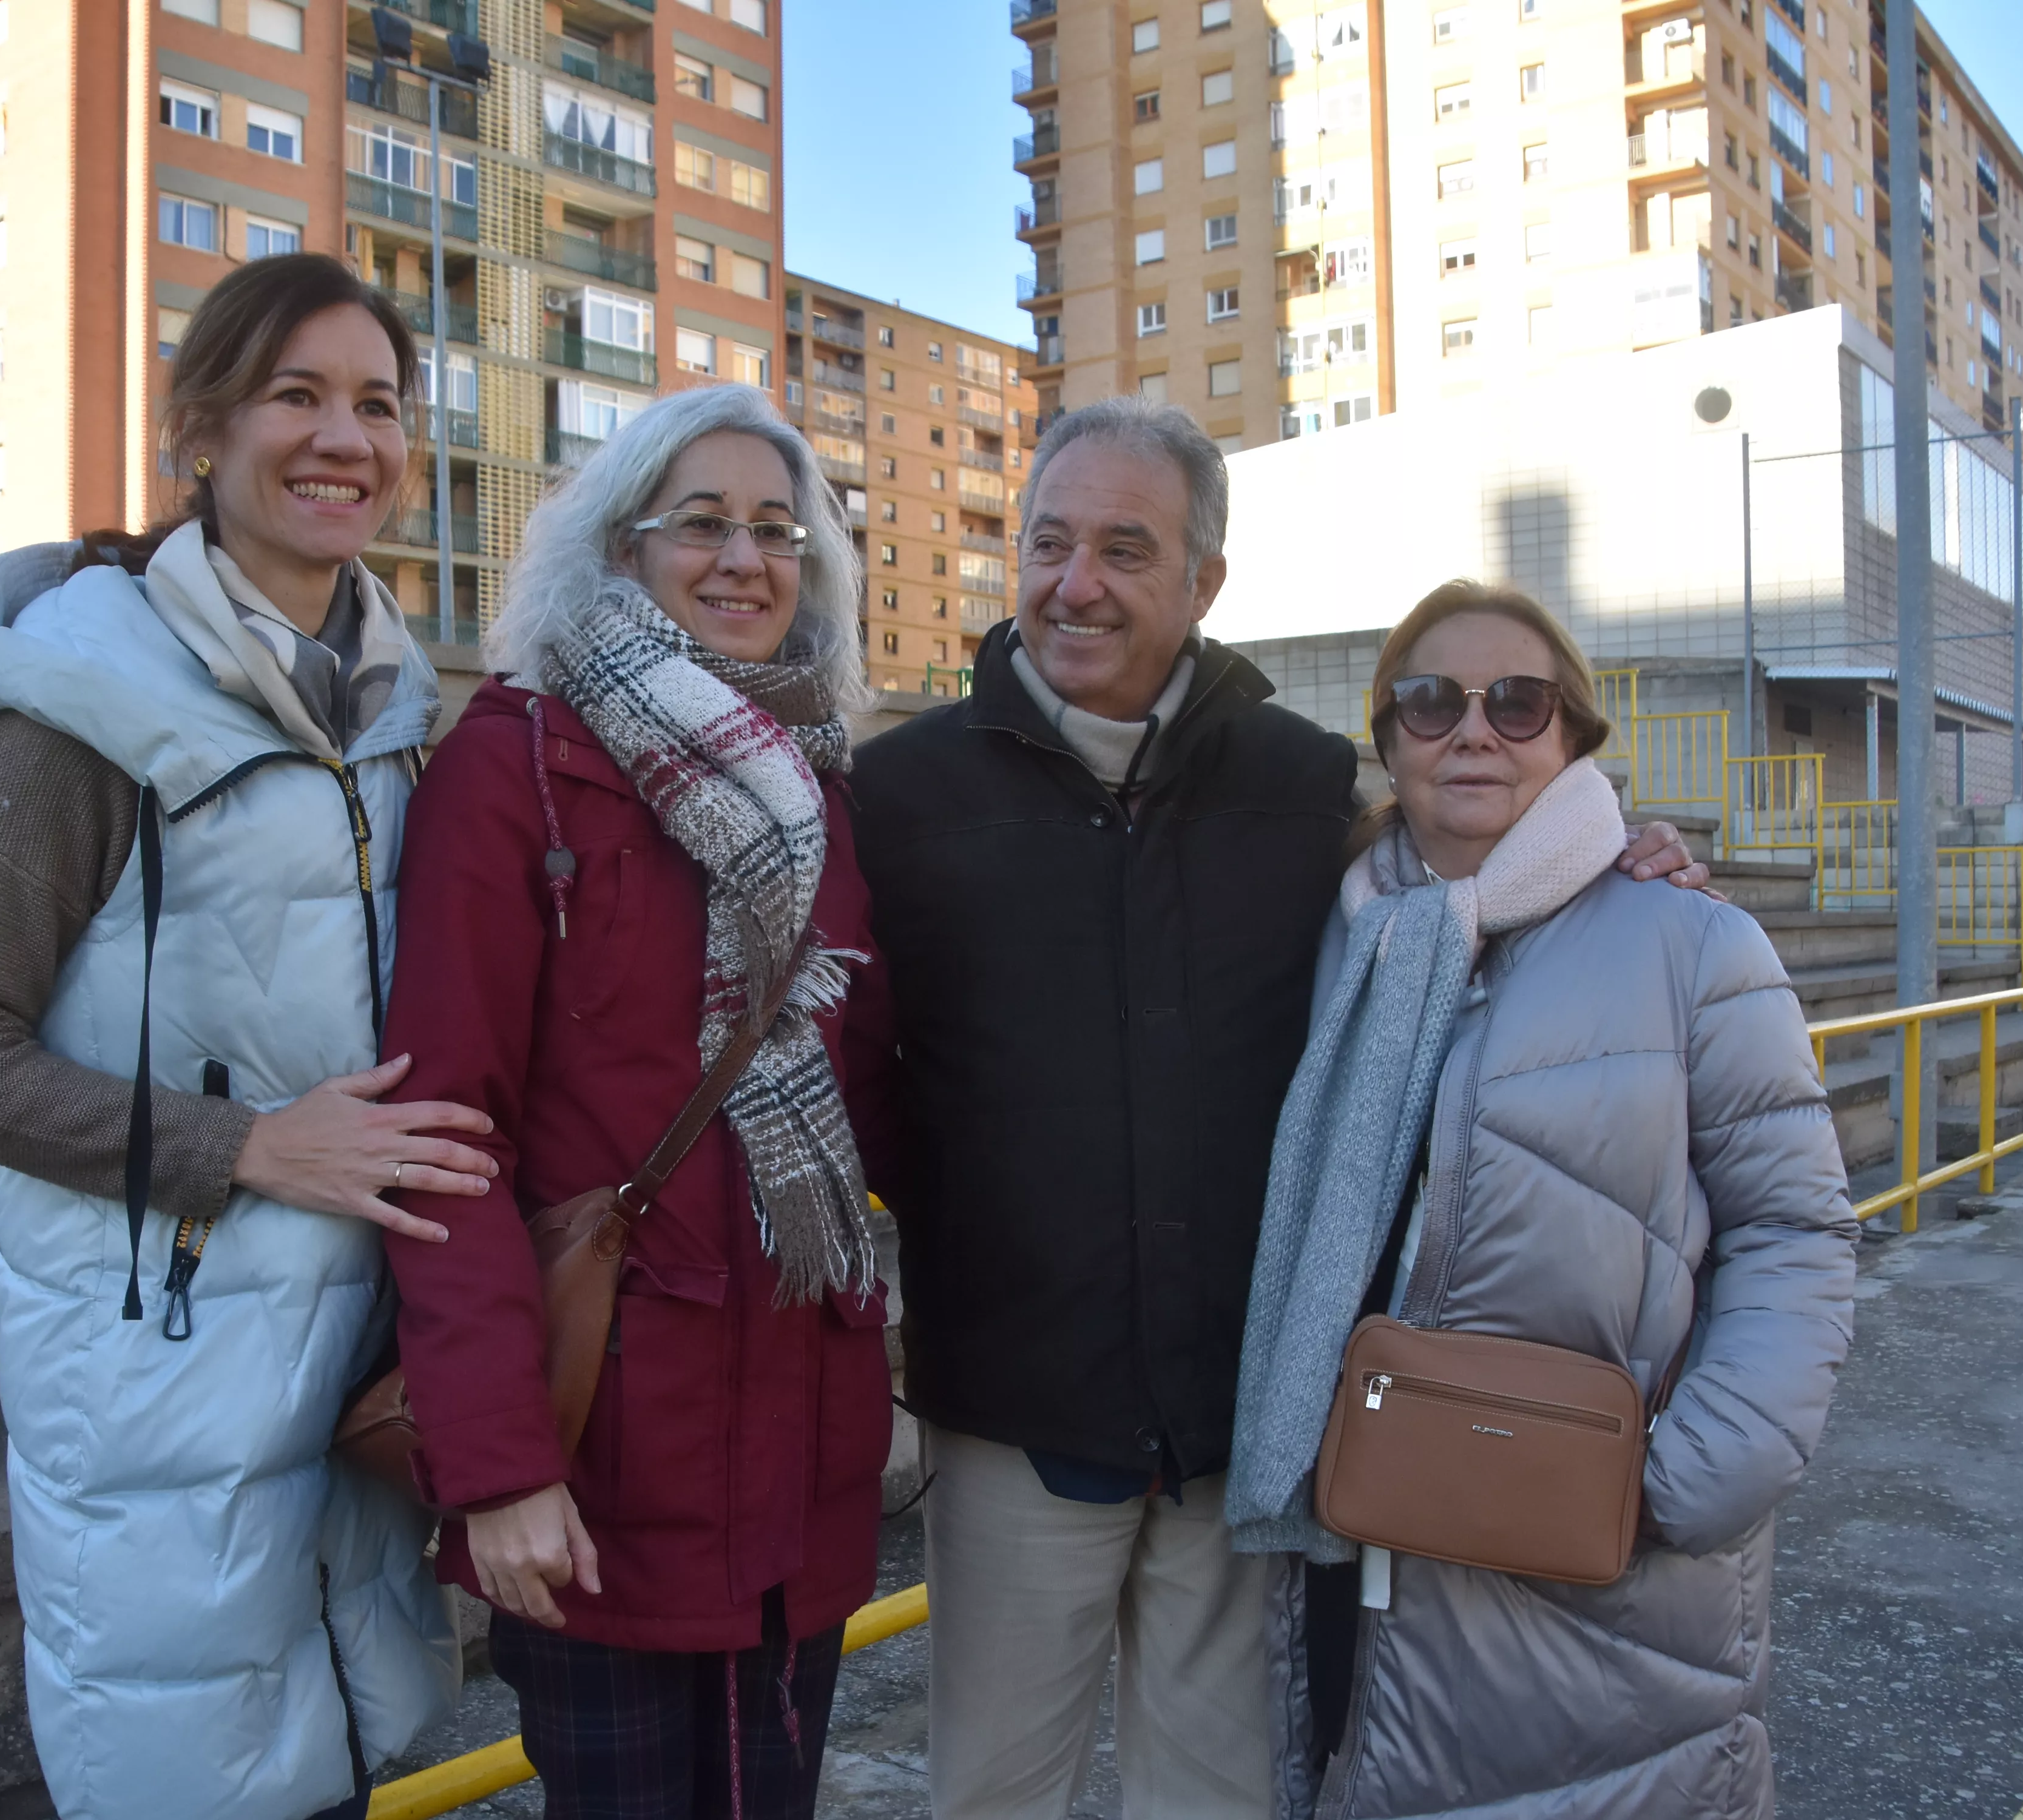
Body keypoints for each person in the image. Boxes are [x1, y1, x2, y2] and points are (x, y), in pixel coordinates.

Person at [848, 398, 1711, 1815]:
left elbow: (1469, 880)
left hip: (1242, 1424)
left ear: (1205, 585)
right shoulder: (901, 793)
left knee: (1226, 1796)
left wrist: (1621, 850)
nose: (1076, 584)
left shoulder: (1304, 786)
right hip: (1009, 1417)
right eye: (1049, 542)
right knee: (994, 1792)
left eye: (1127, 550)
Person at [0, 254, 494, 1819]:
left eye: (377, 403)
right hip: (156, 1375)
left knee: (343, 1766)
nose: (342, 437)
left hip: (340, 1364)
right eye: (297, 394)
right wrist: (252, 1148)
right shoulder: (82, 697)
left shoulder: (393, 708)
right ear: (203, 429)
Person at [1226, 580, 1857, 1817]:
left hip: (1602, 1569)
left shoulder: (1690, 943)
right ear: (1388, 740)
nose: (1472, 731)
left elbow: (1796, 1235)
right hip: (1354, 1547)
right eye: (1429, 703)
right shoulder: (1345, 941)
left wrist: (1682, 1485)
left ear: (1570, 735)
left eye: (1516, 703)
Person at [378, 382, 900, 1819]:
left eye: (779, 532)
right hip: (604, 1457)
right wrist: (494, 1467)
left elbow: (872, 1097)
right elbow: (447, 1141)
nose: (745, 559)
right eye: (703, 524)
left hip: (799, 1448)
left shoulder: (819, 786)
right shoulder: (515, 769)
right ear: (619, 548)